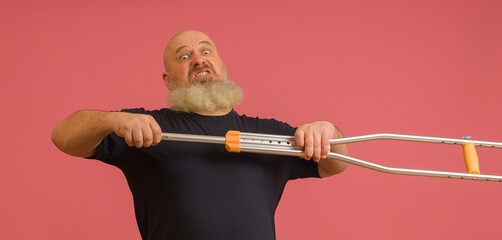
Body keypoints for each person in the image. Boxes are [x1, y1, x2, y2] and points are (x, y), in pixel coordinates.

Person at [51, 29, 350, 240]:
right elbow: (63, 137)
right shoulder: (143, 127)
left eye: (206, 51)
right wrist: (113, 120)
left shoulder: (268, 134)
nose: (198, 59)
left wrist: (327, 131)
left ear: (222, 66)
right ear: (168, 80)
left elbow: (335, 163)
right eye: (184, 57)